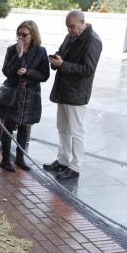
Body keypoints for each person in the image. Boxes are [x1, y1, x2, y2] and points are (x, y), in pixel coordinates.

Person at [43, 10, 103, 181]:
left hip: (77, 93)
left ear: (82, 22)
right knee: (62, 128)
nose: (69, 30)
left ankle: (75, 167)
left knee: (76, 131)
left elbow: (88, 70)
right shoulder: (71, 36)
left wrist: (63, 65)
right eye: (68, 27)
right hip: (64, 89)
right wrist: (56, 61)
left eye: (72, 27)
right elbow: (62, 53)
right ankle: (62, 160)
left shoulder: (93, 41)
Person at [0, 20, 50, 172]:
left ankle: (20, 157)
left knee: (25, 127)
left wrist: (28, 72)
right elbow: (6, 71)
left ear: (33, 35)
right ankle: (5, 159)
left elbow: (45, 74)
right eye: (18, 34)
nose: (21, 38)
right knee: (8, 126)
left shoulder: (40, 51)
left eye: (24, 35)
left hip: (30, 94)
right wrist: (18, 56)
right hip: (13, 93)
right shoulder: (12, 49)